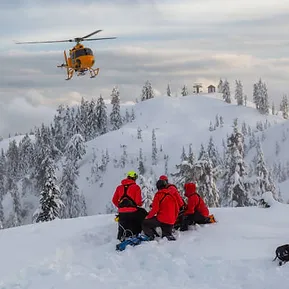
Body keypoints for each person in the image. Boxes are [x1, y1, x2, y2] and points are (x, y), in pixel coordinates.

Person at [112, 171, 147, 241]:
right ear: (134, 178)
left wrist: (120, 207)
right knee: (143, 213)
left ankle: (121, 236)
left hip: (121, 212)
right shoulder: (136, 187)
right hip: (132, 211)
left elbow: (114, 200)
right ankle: (138, 232)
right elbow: (138, 202)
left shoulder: (119, 187)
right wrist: (141, 203)